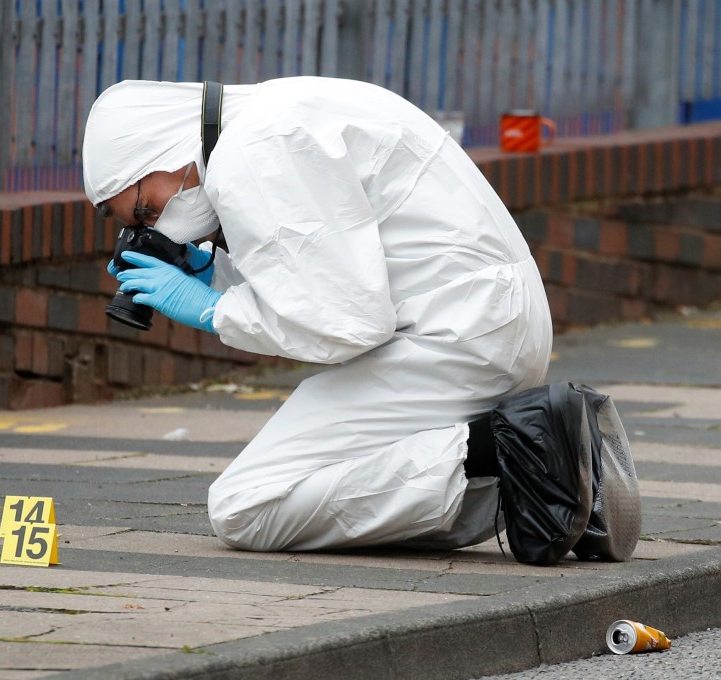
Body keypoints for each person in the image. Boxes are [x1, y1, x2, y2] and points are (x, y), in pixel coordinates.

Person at [82, 77, 579, 557]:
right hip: (484, 326)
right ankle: (553, 483)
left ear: (162, 150)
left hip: (453, 341)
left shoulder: (253, 150)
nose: (159, 226)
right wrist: (215, 276)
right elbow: (325, 274)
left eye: (147, 210)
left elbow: (349, 323)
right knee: (346, 487)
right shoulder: (279, 114)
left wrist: (214, 309)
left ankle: (516, 451)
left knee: (247, 505)